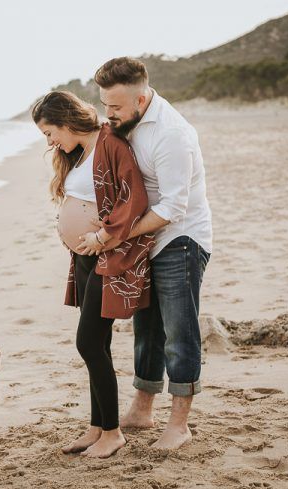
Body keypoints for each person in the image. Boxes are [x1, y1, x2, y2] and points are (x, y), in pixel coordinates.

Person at [78, 57, 213, 450]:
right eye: (105, 105)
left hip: (180, 240)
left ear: (141, 99)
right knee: (147, 329)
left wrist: (113, 236)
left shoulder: (172, 135)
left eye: (116, 107)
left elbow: (173, 208)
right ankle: (142, 408)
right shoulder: (125, 123)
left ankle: (180, 424)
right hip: (144, 242)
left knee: (178, 332)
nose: (110, 114)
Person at [31, 91, 155, 458]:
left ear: (67, 121)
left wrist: (102, 236)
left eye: (50, 132)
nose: (50, 141)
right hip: (84, 260)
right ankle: (97, 427)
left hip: (108, 256)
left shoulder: (111, 142)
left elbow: (134, 198)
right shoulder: (78, 152)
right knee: (97, 345)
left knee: (88, 343)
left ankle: (113, 433)